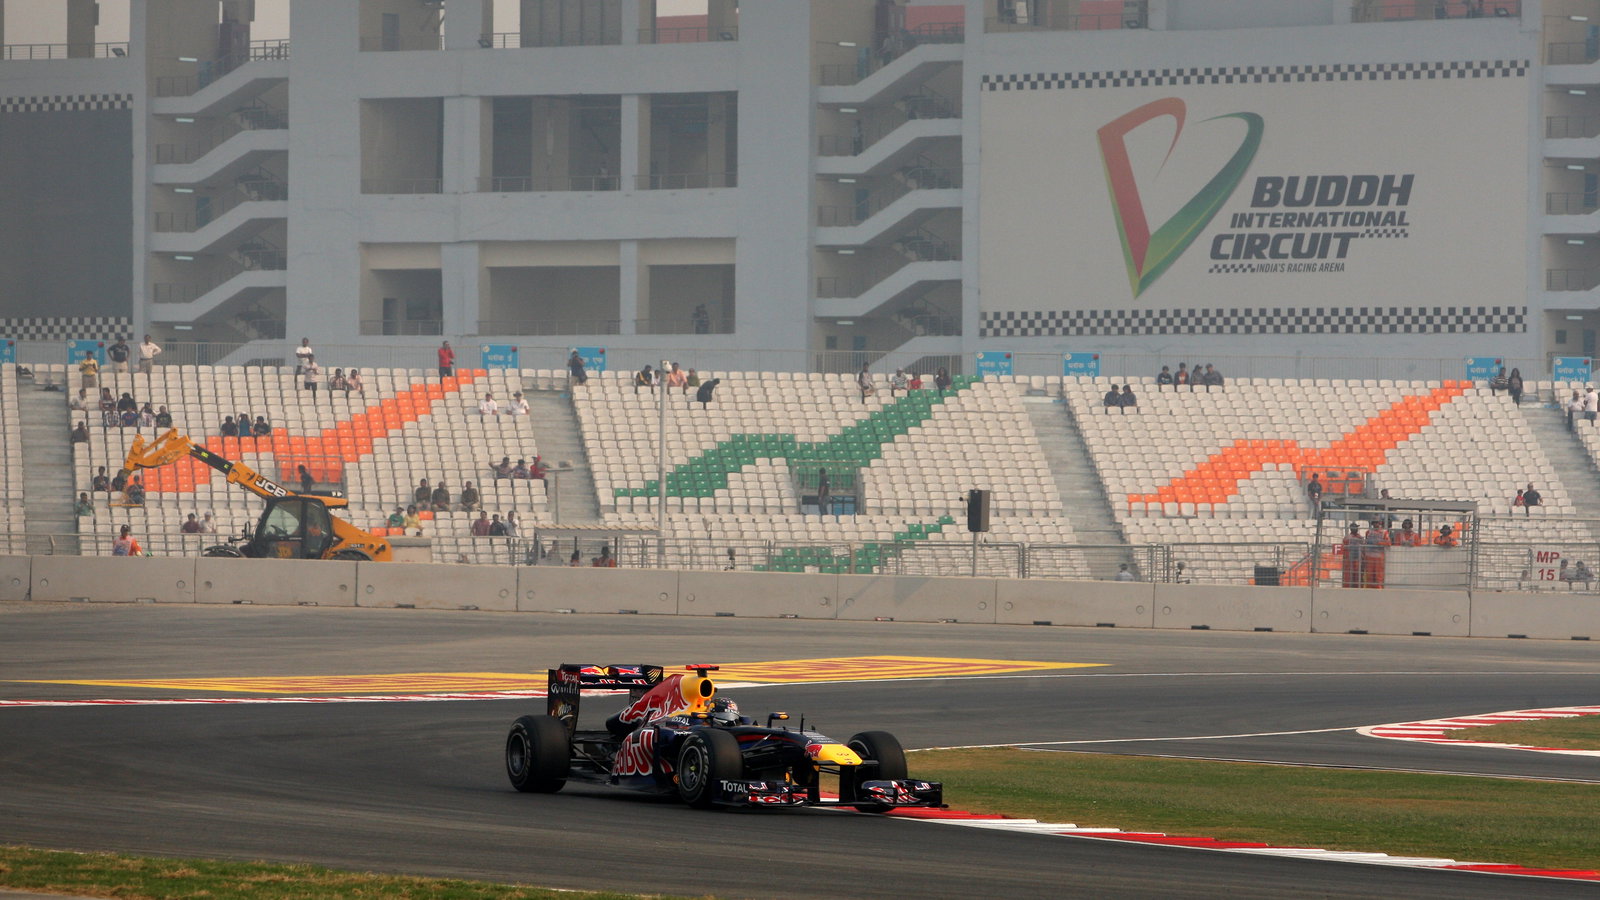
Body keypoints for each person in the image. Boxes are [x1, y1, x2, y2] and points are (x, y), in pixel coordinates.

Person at [1363, 520, 1390, 588]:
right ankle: (1369, 589)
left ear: (1380, 523)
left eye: (1377, 523)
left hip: (1379, 557)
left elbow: (1388, 543)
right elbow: (1365, 543)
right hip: (1369, 557)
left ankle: (1379, 589)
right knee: (1369, 575)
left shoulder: (1384, 532)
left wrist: (1378, 543)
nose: (1375, 524)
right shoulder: (1368, 532)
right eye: (1374, 523)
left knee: (1379, 575)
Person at [1340, 523, 1363, 588]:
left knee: (1357, 575)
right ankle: (1349, 587)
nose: (1356, 529)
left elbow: (1363, 548)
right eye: (1355, 527)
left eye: (1357, 527)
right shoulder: (1347, 538)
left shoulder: (1359, 537)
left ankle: (1357, 587)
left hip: (1357, 559)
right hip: (1350, 560)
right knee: (1350, 575)